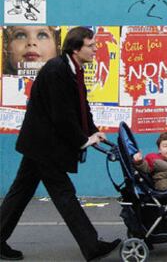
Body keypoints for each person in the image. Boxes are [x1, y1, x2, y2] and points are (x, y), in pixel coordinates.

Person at [0, 27, 120, 261]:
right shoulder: (57, 71)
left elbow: (81, 107)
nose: (96, 49)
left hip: (41, 145)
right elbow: (62, 116)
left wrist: (95, 131)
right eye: (91, 45)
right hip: (44, 146)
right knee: (64, 194)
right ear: (76, 48)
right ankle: (91, 246)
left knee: (21, 192)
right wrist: (84, 140)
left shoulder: (74, 70)